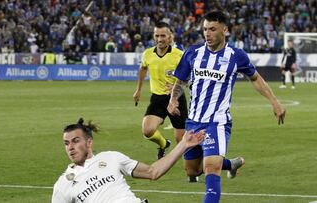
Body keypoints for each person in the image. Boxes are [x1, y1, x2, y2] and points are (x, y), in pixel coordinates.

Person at [167, 11, 285, 203]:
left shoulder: (236, 56)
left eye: (212, 29)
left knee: (211, 167)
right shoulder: (193, 53)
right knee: (192, 169)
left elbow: (256, 79)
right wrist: (173, 100)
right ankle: (231, 164)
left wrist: (275, 101)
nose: (207, 33)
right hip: (193, 121)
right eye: (205, 29)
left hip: (218, 122)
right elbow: (180, 80)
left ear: (225, 30)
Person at [52, 118, 205, 203]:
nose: (70, 147)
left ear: (89, 142)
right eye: (66, 143)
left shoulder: (111, 157)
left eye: (75, 141)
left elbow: (153, 172)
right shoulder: (62, 185)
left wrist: (183, 144)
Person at [132, 22, 188, 160]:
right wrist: (138, 90)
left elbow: (188, 77)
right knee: (147, 130)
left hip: (176, 99)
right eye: (157, 35)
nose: (160, 39)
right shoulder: (147, 54)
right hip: (157, 98)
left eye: (163, 35)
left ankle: (192, 171)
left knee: (181, 140)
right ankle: (163, 144)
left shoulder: (179, 55)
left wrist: (177, 87)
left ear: (170, 37)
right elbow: (143, 69)